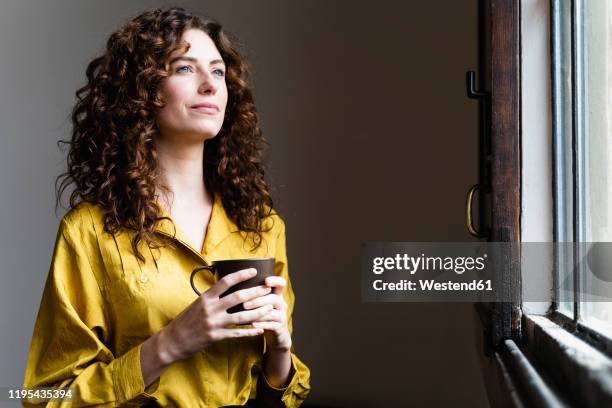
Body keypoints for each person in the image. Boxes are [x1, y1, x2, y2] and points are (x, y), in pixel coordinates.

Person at [22, 7, 311, 407]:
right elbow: (42, 397)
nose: (210, 85)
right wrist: (172, 343)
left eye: (218, 71)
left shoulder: (262, 226)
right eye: (185, 69)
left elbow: (275, 397)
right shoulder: (89, 231)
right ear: (143, 89)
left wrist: (280, 350)